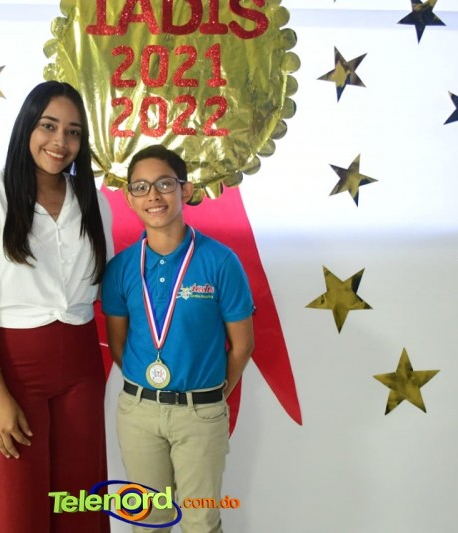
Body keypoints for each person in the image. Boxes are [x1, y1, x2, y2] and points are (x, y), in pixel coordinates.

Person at [0, 80, 112, 533]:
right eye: (49, 126)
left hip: (82, 370)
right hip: (13, 372)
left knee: (80, 507)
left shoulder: (93, 203)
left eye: (73, 132)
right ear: (26, 128)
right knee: (18, 511)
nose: (60, 142)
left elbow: (106, 291)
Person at [101, 145, 255, 532]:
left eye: (164, 184)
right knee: (148, 522)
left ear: (185, 190)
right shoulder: (121, 268)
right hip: (139, 413)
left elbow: (242, 345)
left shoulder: (220, 261)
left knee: (201, 521)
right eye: (141, 187)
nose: (153, 195)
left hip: (200, 413)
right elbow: (119, 345)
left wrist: (212, 395)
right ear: (130, 198)